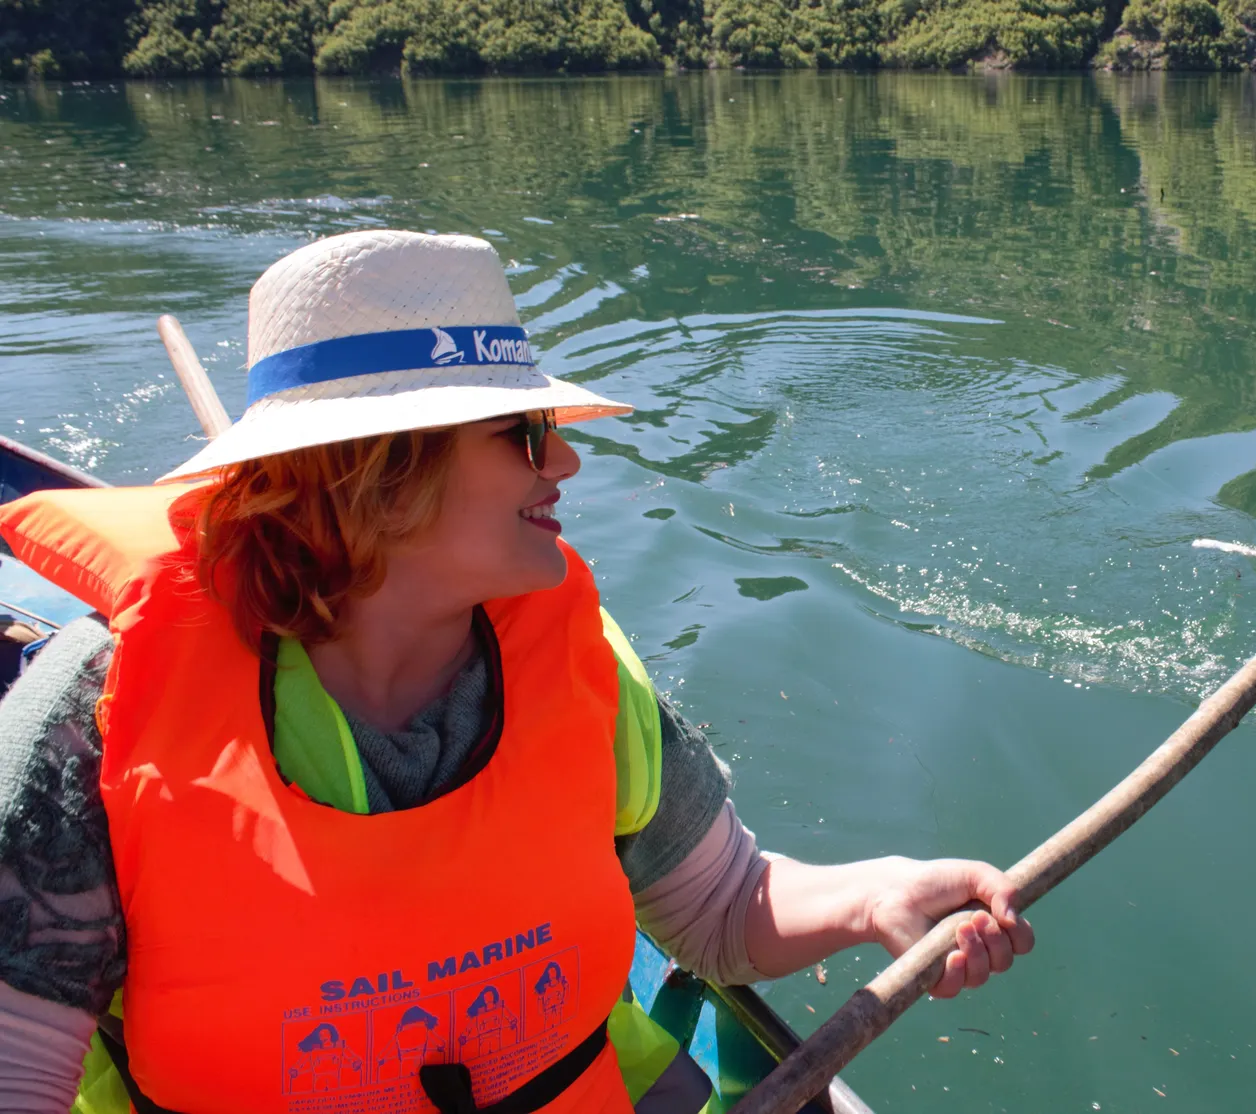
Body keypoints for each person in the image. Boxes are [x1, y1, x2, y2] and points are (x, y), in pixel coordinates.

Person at [0, 230, 1032, 1114]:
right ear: (376, 474)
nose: (565, 463)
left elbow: (722, 911)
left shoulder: (583, 664)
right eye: (526, 434)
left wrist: (877, 895)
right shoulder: (93, 725)